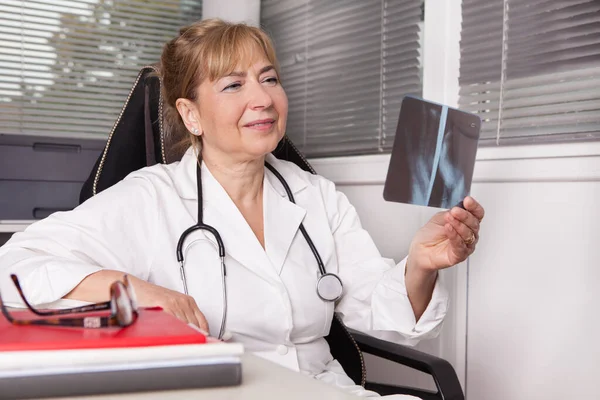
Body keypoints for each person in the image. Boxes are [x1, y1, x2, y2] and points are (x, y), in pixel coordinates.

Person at [0, 19, 484, 399]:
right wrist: (135, 290)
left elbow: (383, 314)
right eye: (233, 86)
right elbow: (14, 266)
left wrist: (421, 264)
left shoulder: (315, 195)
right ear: (191, 115)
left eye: (269, 78)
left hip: (325, 390)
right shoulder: (150, 197)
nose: (263, 98)